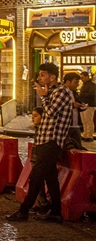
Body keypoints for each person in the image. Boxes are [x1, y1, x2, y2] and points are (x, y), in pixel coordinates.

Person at [6, 63, 74, 223]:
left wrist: (43, 95)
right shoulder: (52, 92)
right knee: (50, 178)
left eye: (43, 75)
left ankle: (24, 210)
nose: (39, 78)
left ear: (52, 77)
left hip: (52, 140)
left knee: (36, 177)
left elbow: (51, 112)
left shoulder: (62, 92)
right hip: (44, 140)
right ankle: (55, 212)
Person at [80, 71, 95, 143]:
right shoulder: (84, 85)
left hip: (89, 104)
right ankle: (85, 134)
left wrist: (82, 94)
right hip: (84, 104)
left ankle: (89, 135)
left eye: (82, 78)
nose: (81, 79)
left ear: (87, 77)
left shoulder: (92, 85)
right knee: (84, 121)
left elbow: (92, 94)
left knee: (88, 120)